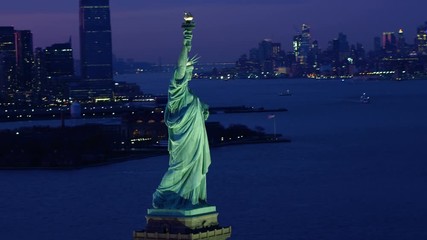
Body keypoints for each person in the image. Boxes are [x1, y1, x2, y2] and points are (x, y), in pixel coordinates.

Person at [152, 20, 211, 210]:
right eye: (188, 70)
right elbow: (179, 68)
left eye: (191, 70)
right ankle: (162, 195)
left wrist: (203, 110)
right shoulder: (176, 91)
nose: (190, 72)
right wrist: (186, 42)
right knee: (178, 168)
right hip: (182, 142)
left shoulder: (191, 96)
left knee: (194, 170)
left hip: (194, 139)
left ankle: (191, 199)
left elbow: (200, 111)